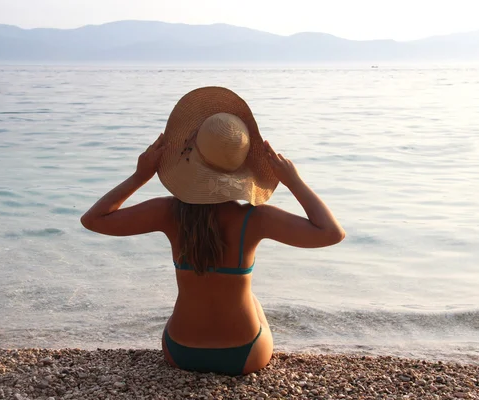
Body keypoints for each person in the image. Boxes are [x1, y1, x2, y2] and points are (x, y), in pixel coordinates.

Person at [80, 87, 345, 376]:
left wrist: (139, 175)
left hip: (180, 351)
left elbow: (94, 219)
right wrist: (293, 181)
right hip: (243, 355)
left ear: (189, 155)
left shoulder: (168, 212)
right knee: (252, 300)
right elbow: (331, 233)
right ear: (243, 165)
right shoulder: (255, 219)